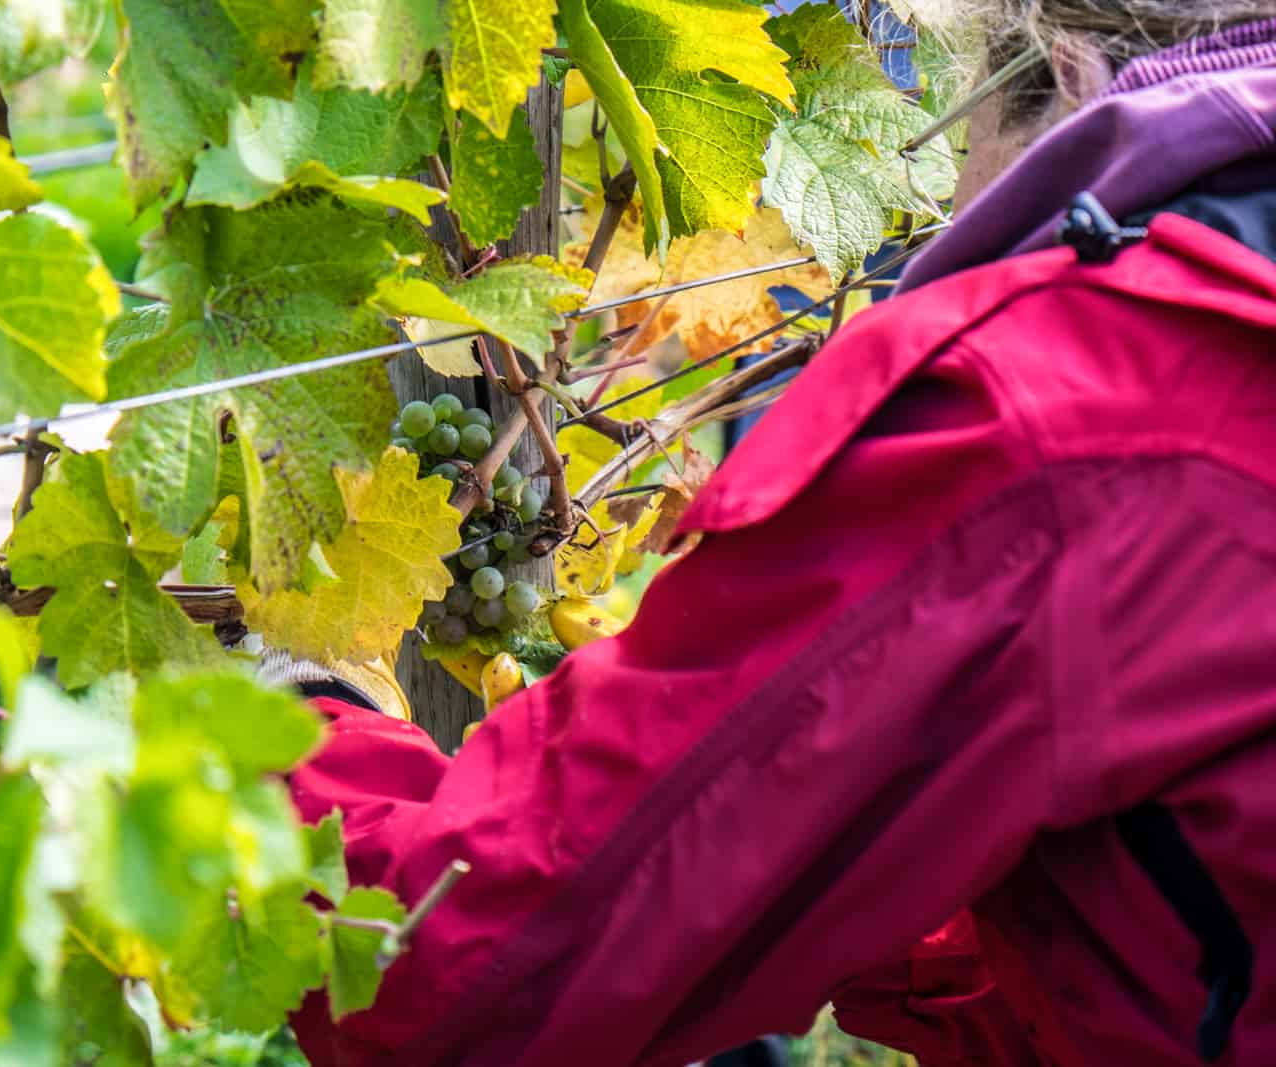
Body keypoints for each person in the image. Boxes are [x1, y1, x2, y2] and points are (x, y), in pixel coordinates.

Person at [282, 3, 1276, 1065]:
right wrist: (822, 851)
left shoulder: (1045, 417)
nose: (938, 214)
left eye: (947, 131)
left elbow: (467, 978)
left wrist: (280, 733)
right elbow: (1175, 942)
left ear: (1041, 67)